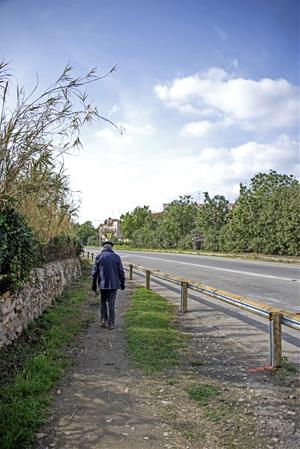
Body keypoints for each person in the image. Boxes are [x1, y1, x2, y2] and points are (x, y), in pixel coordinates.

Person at [91, 241, 125, 329]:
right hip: (114, 284)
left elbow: (94, 273)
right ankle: (111, 323)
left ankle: (103, 320)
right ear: (111, 248)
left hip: (102, 284)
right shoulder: (116, 257)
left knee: (103, 302)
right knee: (111, 304)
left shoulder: (99, 257)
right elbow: (121, 272)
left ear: (103, 248)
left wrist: (93, 284)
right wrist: (122, 283)